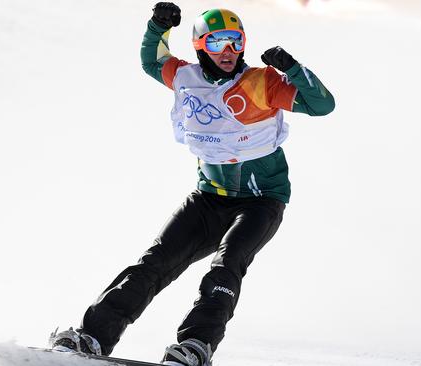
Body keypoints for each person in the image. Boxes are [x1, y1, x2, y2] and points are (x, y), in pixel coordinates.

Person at [49, 3, 335, 366]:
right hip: (207, 199)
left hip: (260, 202)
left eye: (235, 41)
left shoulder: (262, 82)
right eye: (217, 43)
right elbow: (153, 61)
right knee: (154, 263)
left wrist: (291, 67)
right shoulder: (185, 76)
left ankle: (196, 346)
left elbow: (322, 105)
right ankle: (92, 337)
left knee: (226, 265)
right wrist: (158, 26)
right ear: (200, 45)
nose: (228, 51)